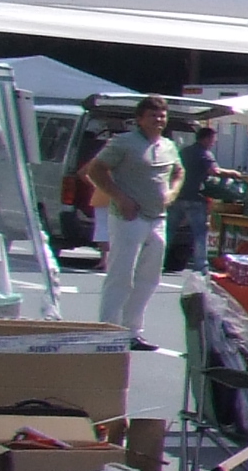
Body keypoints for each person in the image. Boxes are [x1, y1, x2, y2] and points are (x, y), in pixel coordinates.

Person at [83, 94, 184, 346]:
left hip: (157, 218)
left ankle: (132, 331)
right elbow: (95, 170)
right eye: (153, 115)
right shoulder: (124, 142)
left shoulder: (168, 145)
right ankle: (108, 330)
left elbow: (179, 172)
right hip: (129, 217)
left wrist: (172, 193)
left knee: (149, 278)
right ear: (140, 119)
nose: (158, 120)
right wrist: (119, 197)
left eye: (162, 116)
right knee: (121, 275)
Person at [168, 117, 217, 275]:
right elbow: (213, 171)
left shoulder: (184, 151)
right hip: (196, 198)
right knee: (199, 233)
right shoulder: (205, 154)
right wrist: (232, 173)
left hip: (179, 195)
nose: (213, 142)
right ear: (206, 138)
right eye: (212, 139)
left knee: (168, 231)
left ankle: (155, 259)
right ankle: (201, 265)